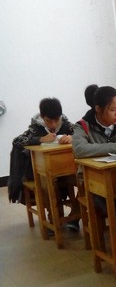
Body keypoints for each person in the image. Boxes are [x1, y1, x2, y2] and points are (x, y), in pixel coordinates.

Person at [72, 86, 116, 276]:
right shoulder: (82, 126)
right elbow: (79, 150)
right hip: (95, 185)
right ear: (98, 109)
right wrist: (115, 147)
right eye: (113, 110)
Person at [8, 97, 79, 230]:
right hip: (42, 172)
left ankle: (75, 216)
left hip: (65, 169)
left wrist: (72, 137)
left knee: (83, 179)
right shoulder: (36, 127)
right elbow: (17, 141)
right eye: (49, 121)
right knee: (47, 183)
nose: (53, 125)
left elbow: (83, 133)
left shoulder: (66, 124)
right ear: (42, 117)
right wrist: (40, 139)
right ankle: (54, 220)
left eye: (56, 120)